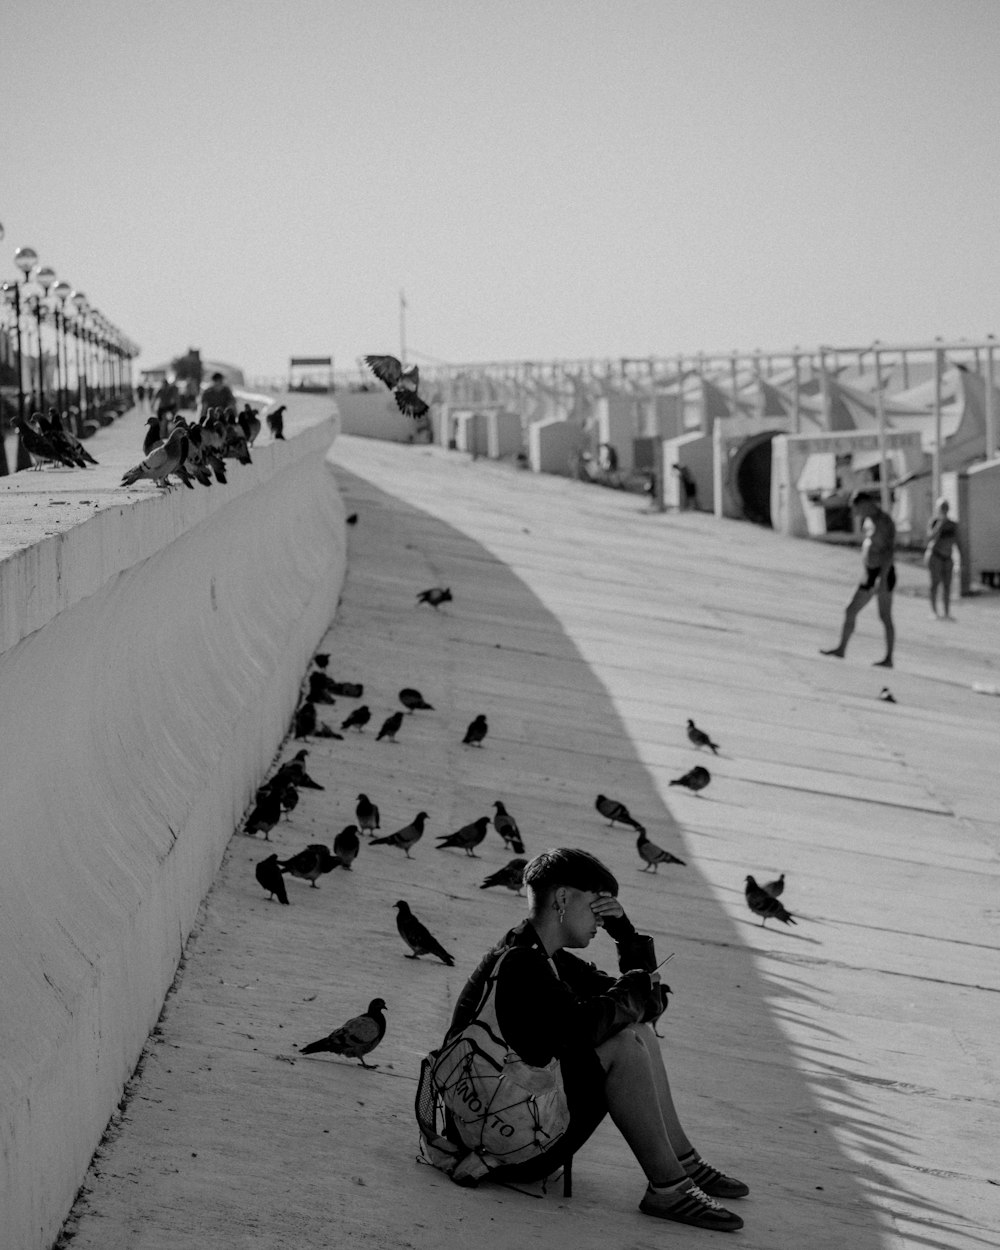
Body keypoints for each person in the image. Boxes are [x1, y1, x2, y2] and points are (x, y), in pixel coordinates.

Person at [445, 848, 747, 1232]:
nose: (601, 920)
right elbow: (583, 1029)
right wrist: (633, 986)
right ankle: (668, 1187)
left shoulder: (547, 956)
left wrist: (627, 937)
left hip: (511, 1121)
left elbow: (644, 1009)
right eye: (597, 907)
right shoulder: (521, 962)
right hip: (500, 1140)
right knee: (622, 1045)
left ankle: (683, 1163)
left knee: (636, 1031)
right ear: (562, 899)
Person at [821, 490, 896, 667]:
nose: (856, 512)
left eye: (857, 508)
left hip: (881, 573)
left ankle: (889, 658)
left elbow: (889, 552)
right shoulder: (868, 520)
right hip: (869, 572)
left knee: (885, 616)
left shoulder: (883, 521)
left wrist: (882, 578)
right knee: (850, 610)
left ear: (866, 504)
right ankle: (841, 648)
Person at [925, 498, 959, 620]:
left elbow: (957, 541)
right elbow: (929, 538)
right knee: (935, 584)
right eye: (941, 508)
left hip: (947, 557)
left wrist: (962, 558)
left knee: (947, 586)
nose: (943, 510)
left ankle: (947, 612)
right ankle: (934, 611)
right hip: (936, 556)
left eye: (945, 507)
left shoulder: (953, 524)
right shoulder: (934, 522)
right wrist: (940, 525)